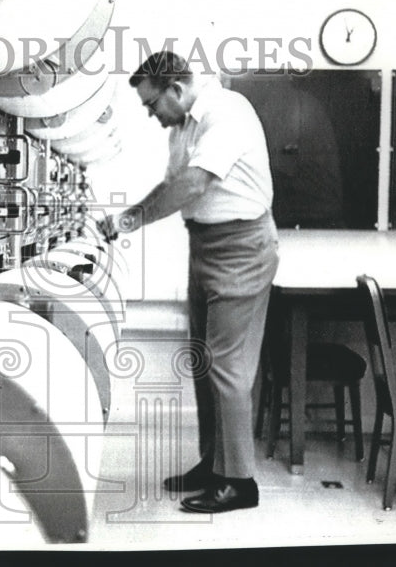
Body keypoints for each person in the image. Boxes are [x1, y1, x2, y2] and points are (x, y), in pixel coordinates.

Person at [98, 51, 279, 514]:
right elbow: (170, 185)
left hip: (241, 246)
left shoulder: (227, 113)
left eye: (151, 103)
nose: (150, 114)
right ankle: (214, 463)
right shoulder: (182, 128)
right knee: (205, 361)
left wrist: (129, 220)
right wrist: (128, 215)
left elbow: (194, 185)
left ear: (176, 90)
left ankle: (239, 483)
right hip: (205, 245)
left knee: (227, 367)